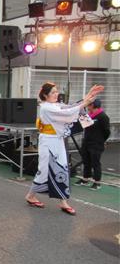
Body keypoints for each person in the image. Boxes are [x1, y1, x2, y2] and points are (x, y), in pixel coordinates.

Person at [25, 82, 104, 215]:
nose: (57, 94)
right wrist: (85, 103)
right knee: (44, 170)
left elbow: (71, 107)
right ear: (45, 95)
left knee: (62, 169)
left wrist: (89, 95)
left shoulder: (54, 105)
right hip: (48, 142)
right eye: (53, 92)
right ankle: (31, 195)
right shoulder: (46, 107)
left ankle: (63, 201)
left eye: (56, 91)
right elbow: (68, 112)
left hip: (57, 141)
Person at [76, 99, 110, 191]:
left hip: (97, 143)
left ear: (93, 105)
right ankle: (85, 179)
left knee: (95, 162)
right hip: (87, 141)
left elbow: (107, 131)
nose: (87, 106)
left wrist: (102, 141)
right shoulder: (89, 115)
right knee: (86, 160)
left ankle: (97, 182)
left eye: (89, 104)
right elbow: (85, 125)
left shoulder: (103, 116)